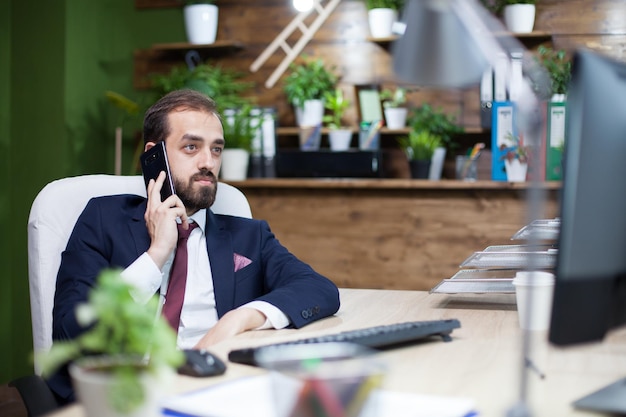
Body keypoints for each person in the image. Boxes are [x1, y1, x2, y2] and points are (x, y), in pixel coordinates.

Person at [47, 89, 341, 403]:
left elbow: (320, 290)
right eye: (191, 147)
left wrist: (238, 319)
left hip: (214, 392)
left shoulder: (248, 236)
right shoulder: (104, 219)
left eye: (216, 149)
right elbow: (72, 332)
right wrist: (156, 254)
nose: (208, 162)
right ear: (152, 155)